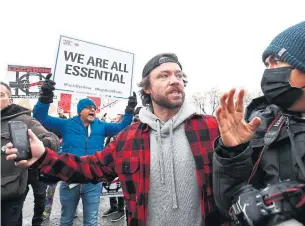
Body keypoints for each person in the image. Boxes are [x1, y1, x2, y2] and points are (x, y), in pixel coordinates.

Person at [6, 53, 227, 226]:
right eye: (164, 75)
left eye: (179, 75)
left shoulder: (210, 127)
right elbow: (90, 167)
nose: (175, 81)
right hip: (72, 187)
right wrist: (44, 157)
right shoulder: (128, 139)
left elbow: (237, 182)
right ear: (147, 88)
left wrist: (240, 149)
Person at [213, 22, 305, 226]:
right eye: (267, 64)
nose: (269, 72)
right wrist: (234, 152)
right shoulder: (260, 122)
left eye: (278, 61)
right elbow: (228, 202)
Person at [32, 74, 136, 226]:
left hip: (93, 180)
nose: (93, 109)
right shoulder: (67, 124)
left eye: (94, 107)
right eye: (89, 107)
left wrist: (129, 110)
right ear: (80, 111)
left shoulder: (102, 126)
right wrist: (45, 97)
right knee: (66, 219)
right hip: (70, 178)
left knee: (91, 220)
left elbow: (122, 127)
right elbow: (40, 118)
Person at [1, 82, 60, 226]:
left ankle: (37, 222)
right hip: (19, 182)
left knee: (39, 197)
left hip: (13, 189)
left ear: (10, 100)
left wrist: (33, 148)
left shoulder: (23, 119)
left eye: (1, 95)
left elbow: (52, 139)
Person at [42, 106, 67, 221]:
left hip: (65, 168)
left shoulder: (65, 138)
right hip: (51, 169)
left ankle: (72, 210)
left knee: (70, 189)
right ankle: (46, 211)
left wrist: (62, 115)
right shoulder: (47, 136)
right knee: (49, 193)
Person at [103, 112, 125, 222]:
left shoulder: (125, 132)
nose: (114, 120)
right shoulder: (112, 132)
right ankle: (113, 206)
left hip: (121, 164)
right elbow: (107, 145)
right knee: (110, 185)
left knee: (119, 186)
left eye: (117, 119)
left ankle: (121, 209)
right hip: (111, 164)